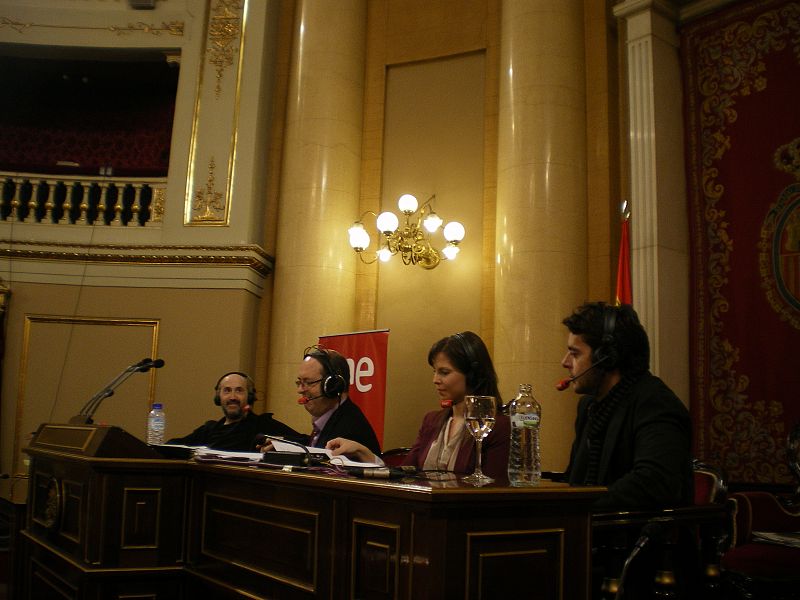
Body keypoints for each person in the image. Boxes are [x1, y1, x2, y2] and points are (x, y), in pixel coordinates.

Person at [559, 302, 693, 509]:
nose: (565, 362)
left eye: (575, 353)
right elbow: (576, 479)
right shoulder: (588, 406)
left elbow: (654, 483)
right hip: (594, 532)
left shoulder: (655, 403)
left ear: (606, 357)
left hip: (635, 535)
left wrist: (581, 511)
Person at [327, 331, 510, 479]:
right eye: (434, 371)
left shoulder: (499, 426)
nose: (435, 380)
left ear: (473, 375)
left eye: (444, 372)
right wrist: (361, 450)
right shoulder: (432, 421)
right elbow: (405, 472)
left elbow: (493, 488)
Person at [166, 371, 301, 451]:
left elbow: (306, 441)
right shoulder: (209, 429)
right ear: (219, 397)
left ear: (250, 396)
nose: (232, 397)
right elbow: (175, 446)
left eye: (239, 390)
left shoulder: (262, 424)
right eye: (227, 391)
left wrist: (279, 442)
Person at [293, 346, 382, 456]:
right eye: (299, 383)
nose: (300, 390)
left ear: (333, 386)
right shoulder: (334, 417)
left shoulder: (349, 431)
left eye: (309, 382)